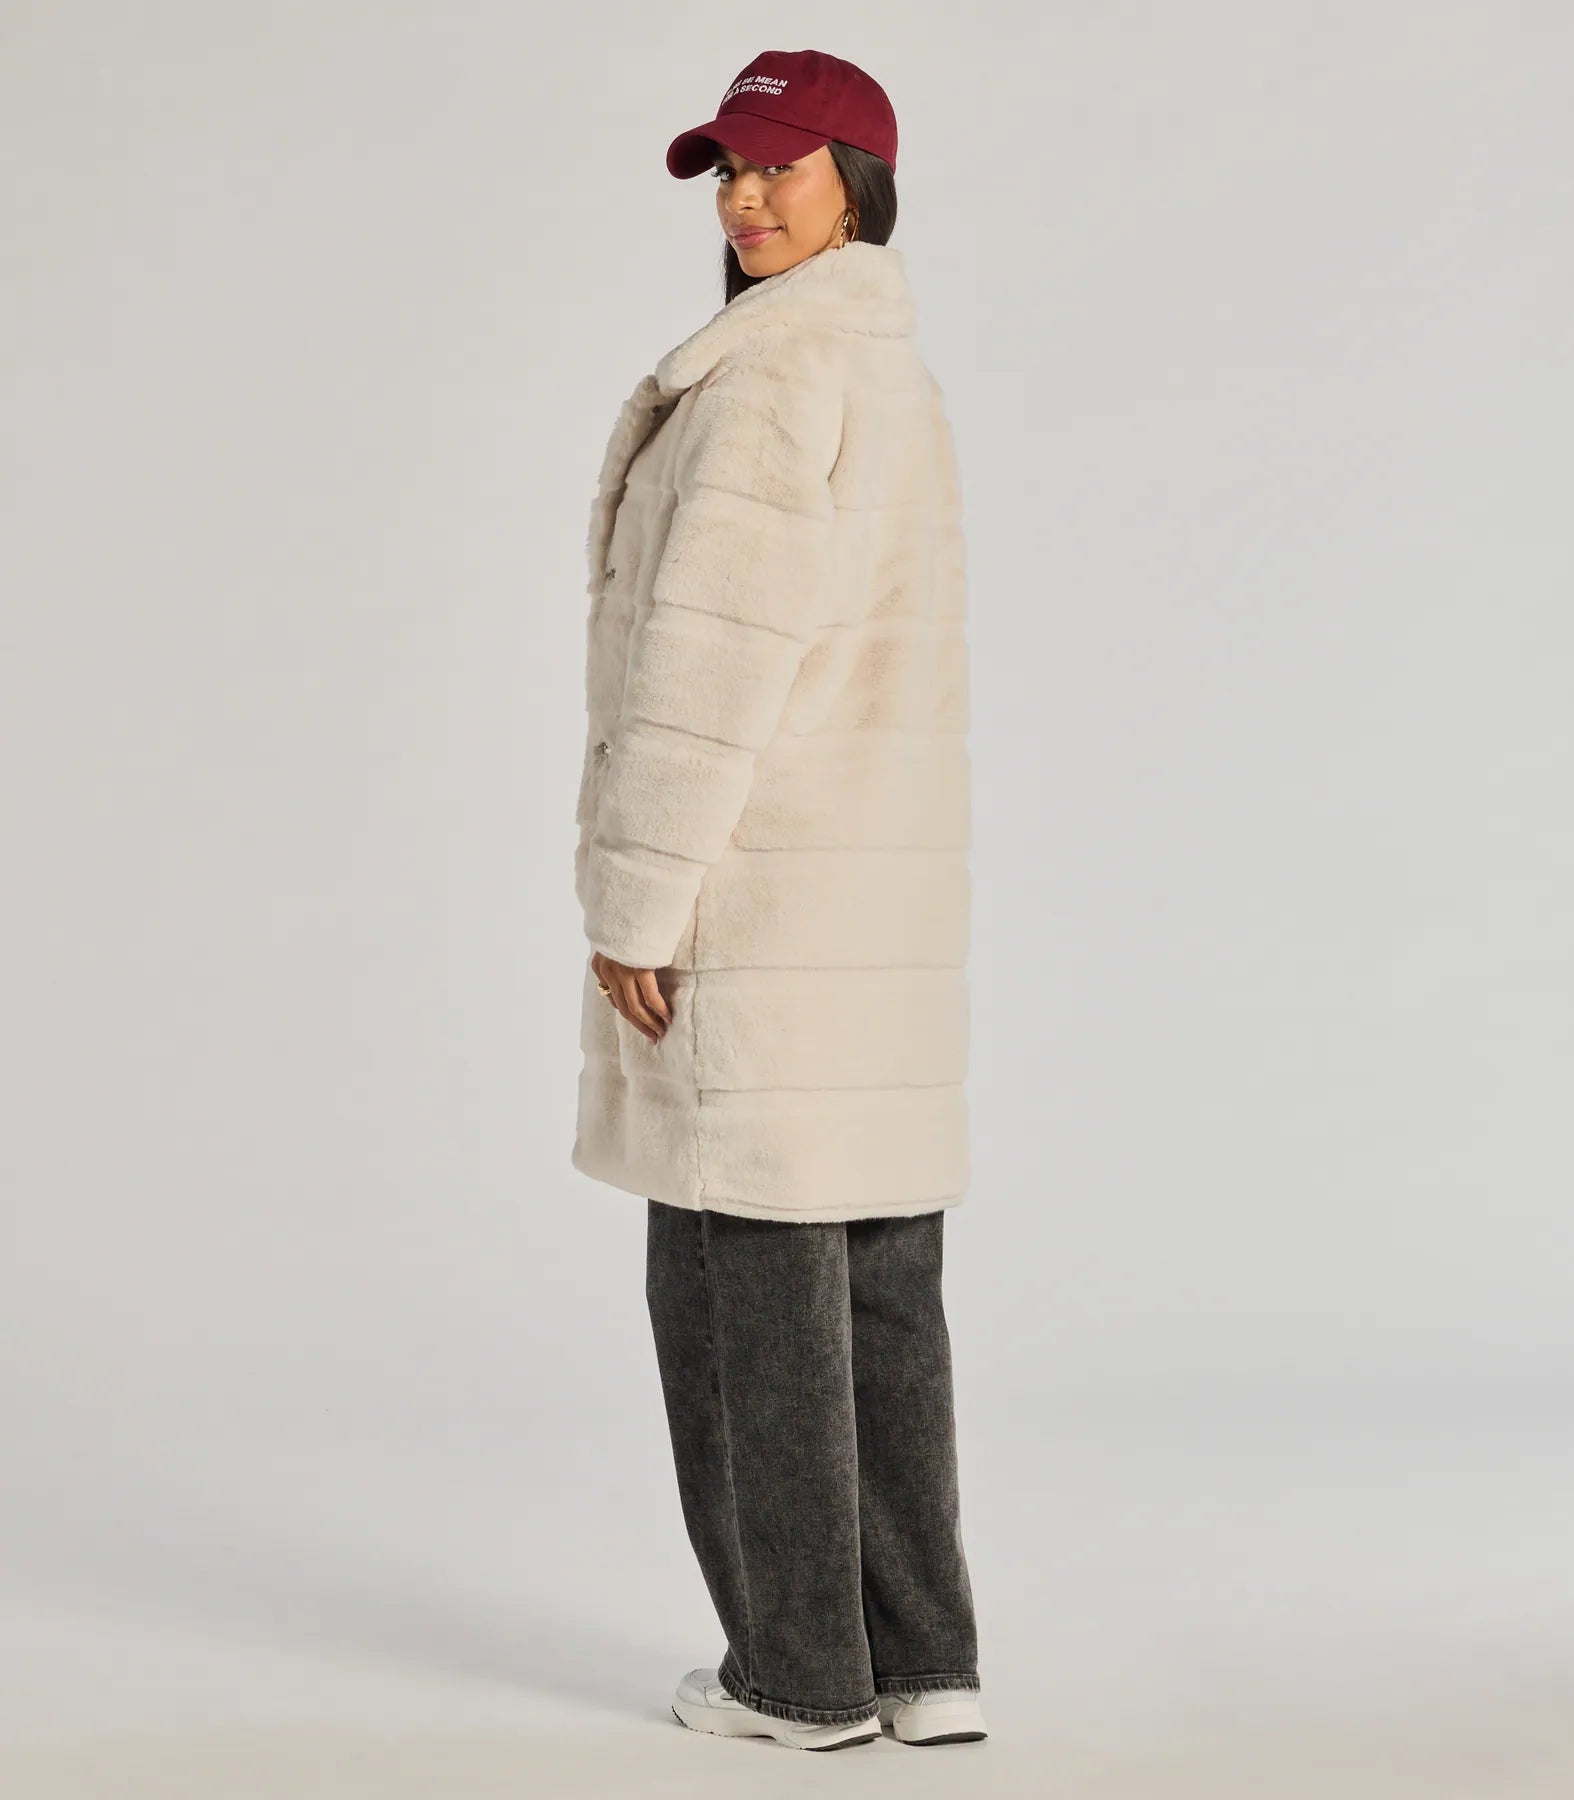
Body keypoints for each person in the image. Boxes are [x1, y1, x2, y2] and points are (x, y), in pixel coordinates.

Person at [571, 48, 984, 1752]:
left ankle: (797, 1678)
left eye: (780, 169)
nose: (746, 201)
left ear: (856, 185)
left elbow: (707, 670)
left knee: (744, 1292)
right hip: (870, 905)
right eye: (728, 173)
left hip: (754, 896)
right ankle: (923, 1661)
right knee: (874, 1283)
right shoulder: (886, 368)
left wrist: (639, 897)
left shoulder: (759, 382)